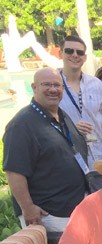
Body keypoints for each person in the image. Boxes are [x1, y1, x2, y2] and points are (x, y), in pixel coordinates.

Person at [2, 67, 88, 232]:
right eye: (46, 85)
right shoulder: (21, 125)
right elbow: (14, 171)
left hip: (74, 208)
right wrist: (27, 208)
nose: (53, 89)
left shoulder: (61, 116)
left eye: (57, 85)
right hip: (49, 215)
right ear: (34, 87)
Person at [58, 35, 102, 167]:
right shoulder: (53, 85)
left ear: (84, 58)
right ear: (60, 53)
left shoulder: (96, 84)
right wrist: (72, 128)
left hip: (101, 154)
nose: (75, 55)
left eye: (79, 52)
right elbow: (47, 124)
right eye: (69, 51)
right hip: (70, 157)